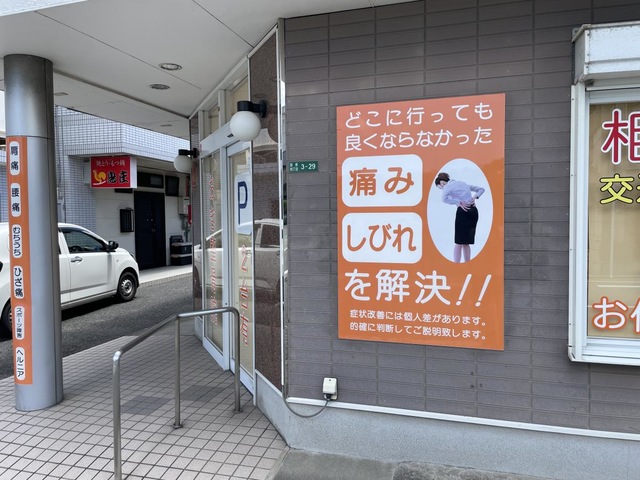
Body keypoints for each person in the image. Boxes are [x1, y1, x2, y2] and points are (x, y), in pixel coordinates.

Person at [434, 171, 485, 263]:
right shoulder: (463, 184)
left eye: (440, 188)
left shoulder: (448, 186)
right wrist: (474, 198)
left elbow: (443, 199)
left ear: (442, 183)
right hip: (473, 212)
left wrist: (458, 202)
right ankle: (467, 264)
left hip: (463, 212)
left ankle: (456, 266)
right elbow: (481, 189)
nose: (442, 189)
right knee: (466, 242)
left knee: (458, 242)